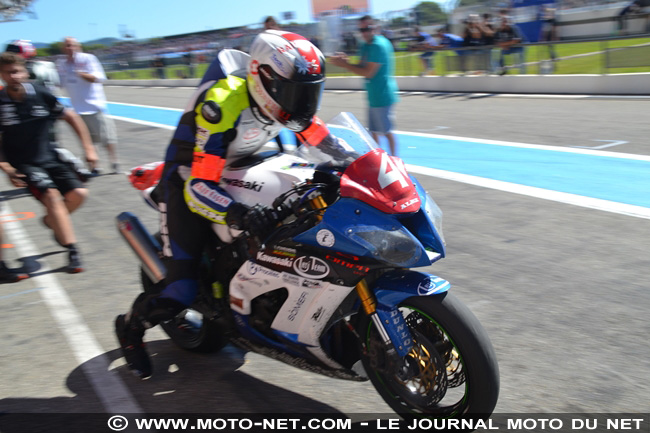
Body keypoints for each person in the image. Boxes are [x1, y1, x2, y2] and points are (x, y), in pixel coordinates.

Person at [114, 30, 326, 379]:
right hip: (189, 177)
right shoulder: (223, 102)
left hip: (242, 166)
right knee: (180, 290)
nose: (303, 103)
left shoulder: (287, 103)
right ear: (264, 81)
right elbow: (199, 186)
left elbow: (327, 142)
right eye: (295, 93)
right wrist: (236, 212)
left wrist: (360, 165)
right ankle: (131, 328)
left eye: (309, 93)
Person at [0, 52, 98, 273]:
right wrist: (6, 167)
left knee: (79, 194)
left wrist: (89, 148)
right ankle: (73, 251)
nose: (13, 76)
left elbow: (71, 116)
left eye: (16, 71)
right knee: (53, 197)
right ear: (2, 76)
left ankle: (51, 221)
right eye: (7, 73)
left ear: (25, 72)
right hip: (24, 165)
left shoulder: (41, 93)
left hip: (51, 157)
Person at [329, 15, 399, 156]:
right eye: (361, 30)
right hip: (374, 95)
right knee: (373, 131)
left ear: (374, 28)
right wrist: (346, 60)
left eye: (366, 29)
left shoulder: (378, 45)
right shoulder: (365, 45)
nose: (364, 33)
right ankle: (378, 160)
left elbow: (368, 73)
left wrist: (345, 65)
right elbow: (361, 65)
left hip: (383, 95)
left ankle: (395, 160)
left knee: (386, 132)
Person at [56, 37, 119, 174]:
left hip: (94, 106)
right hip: (77, 108)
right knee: (86, 140)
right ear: (63, 48)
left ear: (78, 46)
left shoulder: (88, 59)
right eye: (66, 46)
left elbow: (98, 78)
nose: (69, 48)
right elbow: (59, 83)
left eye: (71, 45)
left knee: (107, 137)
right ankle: (94, 166)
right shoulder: (61, 64)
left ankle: (114, 161)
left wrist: (82, 74)